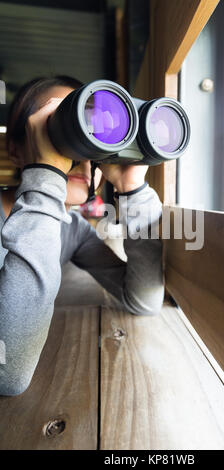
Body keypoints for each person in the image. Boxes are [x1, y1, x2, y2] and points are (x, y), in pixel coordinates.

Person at [0, 76, 164, 396]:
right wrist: (46, 178)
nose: (81, 152)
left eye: (95, 132)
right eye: (57, 128)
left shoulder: (70, 228)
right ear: (16, 148)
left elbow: (143, 299)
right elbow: (8, 371)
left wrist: (132, 189)